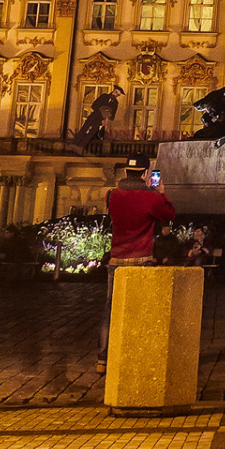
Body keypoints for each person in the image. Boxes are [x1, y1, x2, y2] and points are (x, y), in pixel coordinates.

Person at [98, 156, 175, 374]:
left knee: (110, 309)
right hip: (142, 259)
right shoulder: (150, 197)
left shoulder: (111, 195)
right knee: (142, 309)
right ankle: (138, 352)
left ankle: (102, 359)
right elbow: (169, 215)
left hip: (116, 260)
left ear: (126, 173)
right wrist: (161, 193)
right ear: (144, 174)